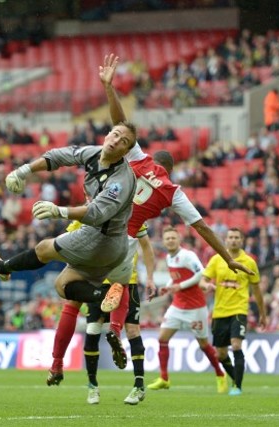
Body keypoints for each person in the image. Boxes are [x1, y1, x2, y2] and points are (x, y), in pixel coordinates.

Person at [42, 53, 253, 395]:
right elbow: (201, 228)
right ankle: (123, 344)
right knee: (126, 309)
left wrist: (109, 86)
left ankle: (58, 365)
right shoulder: (173, 192)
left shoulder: (138, 159)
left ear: (153, 158)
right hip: (121, 242)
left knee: (69, 297)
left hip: (93, 226)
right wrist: (228, 258)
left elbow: (120, 122)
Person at [0, 75, 139, 386]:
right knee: (64, 284)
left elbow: (96, 213)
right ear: (108, 133)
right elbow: (59, 156)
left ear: (126, 151)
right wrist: (26, 169)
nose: (115, 140)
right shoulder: (94, 153)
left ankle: (4, 268)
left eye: (123, 141)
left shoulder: (123, 177)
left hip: (105, 240)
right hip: (114, 248)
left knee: (43, 248)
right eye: (115, 134)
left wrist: (59, 211)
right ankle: (102, 294)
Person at [71, 221, 155, 405]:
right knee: (92, 330)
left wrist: (149, 277)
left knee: (133, 330)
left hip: (127, 282)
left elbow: (146, 247)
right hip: (98, 282)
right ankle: (92, 386)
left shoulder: (134, 216)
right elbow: (73, 239)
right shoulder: (96, 213)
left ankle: (139, 385)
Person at [147, 226, 227, 393]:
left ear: (179, 240)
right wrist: (168, 287)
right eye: (167, 238)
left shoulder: (187, 256)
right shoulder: (169, 258)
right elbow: (175, 277)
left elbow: (200, 274)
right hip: (177, 306)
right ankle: (164, 378)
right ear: (164, 241)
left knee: (204, 344)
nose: (170, 240)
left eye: (173, 238)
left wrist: (179, 286)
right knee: (162, 338)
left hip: (195, 308)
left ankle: (220, 374)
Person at [202, 227, 267, 396]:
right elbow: (203, 280)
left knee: (236, 345)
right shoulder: (216, 260)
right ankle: (235, 380)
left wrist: (262, 313)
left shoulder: (249, 262)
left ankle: (237, 386)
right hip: (219, 312)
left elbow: (257, 290)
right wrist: (206, 285)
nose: (233, 240)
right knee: (221, 353)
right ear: (226, 240)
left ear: (242, 240)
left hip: (239, 310)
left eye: (236, 237)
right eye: (230, 237)